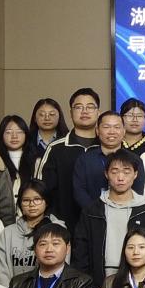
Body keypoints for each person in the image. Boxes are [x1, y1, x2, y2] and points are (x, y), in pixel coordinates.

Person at [73, 150, 145, 288]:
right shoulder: (92, 211)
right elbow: (81, 251)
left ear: (135, 174)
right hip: (97, 283)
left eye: (126, 172)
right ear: (106, 174)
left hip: (138, 283)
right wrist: (85, 285)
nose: (120, 178)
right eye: (114, 172)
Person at [35, 88, 102, 229]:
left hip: (102, 225)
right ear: (71, 113)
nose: (84, 111)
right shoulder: (56, 148)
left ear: (98, 112)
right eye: (79, 107)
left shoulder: (107, 147)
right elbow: (40, 190)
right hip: (63, 227)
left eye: (90, 107)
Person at [0, 180, 66, 287]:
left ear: (46, 202)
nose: (32, 204)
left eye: (37, 199)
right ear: (20, 204)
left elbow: (61, 269)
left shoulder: (58, 230)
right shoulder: (7, 233)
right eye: (26, 200)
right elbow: (1, 274)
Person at [72, 111, 145, 213]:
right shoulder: (85, 160)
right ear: (97, 131)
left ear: (124, 131)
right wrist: (96, 213)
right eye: (106, 127)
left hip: (126, 214)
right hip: (92, 215)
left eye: (117, 127)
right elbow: (79, 191)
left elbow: (138, 191)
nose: (112, 132)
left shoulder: (135, 160)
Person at [0, 115, 36, 204]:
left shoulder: (37, 161)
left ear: (26, 135)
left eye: (19, 132)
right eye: (9, 132)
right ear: (2, 135)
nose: (14, 136)